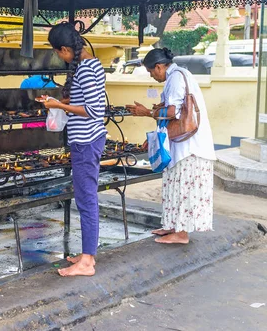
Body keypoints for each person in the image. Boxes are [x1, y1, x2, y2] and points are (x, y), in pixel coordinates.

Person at [126, 48, 215, 244]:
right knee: (175, 183)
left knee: (183, 186)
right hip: (182, 142)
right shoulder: (178, 75)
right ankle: (173, 225)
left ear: (159, 66)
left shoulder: (175, 78)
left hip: (190, 146)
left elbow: (173, 112)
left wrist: (147, 112)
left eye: (151, 72)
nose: (152, 76)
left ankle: (181, 234)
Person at [40, 22, 107, 277]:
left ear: (66, 48)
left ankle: (87, 262)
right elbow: (84, 100)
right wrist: (58, 102)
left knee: (87, 199)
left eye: (59, 52)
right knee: (84, 197)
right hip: (86, 141)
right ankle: (87, 253)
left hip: (86, 142)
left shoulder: (87, 69)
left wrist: (61, 105)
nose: (59, 57)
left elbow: (93, 111)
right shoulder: (90, 65)